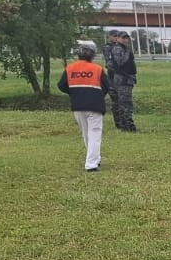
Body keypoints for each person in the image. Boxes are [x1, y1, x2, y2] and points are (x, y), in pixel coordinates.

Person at [57, 41, 110, 172]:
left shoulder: (70, 68)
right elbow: (107, 86)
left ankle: (94, 159)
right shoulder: (97, 69)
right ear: (92, 55)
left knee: (86, 134)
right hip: (95, 105)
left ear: (78, 53)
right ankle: (91, 163)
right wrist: (98, 94)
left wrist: (75, 92)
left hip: (78, 105)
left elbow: (61, 85)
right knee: (95, 134)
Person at [104, 30, 138, 132]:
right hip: (122, 79)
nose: (125, 40)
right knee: (125, 104)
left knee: (124, 103)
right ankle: (128, 127)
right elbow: (120, 63)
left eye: (126, 38)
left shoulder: (123, 48)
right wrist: (128, 52)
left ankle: (124, 125)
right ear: (118, 38)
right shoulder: (118, 49)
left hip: (127, 79)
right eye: (123, 38)